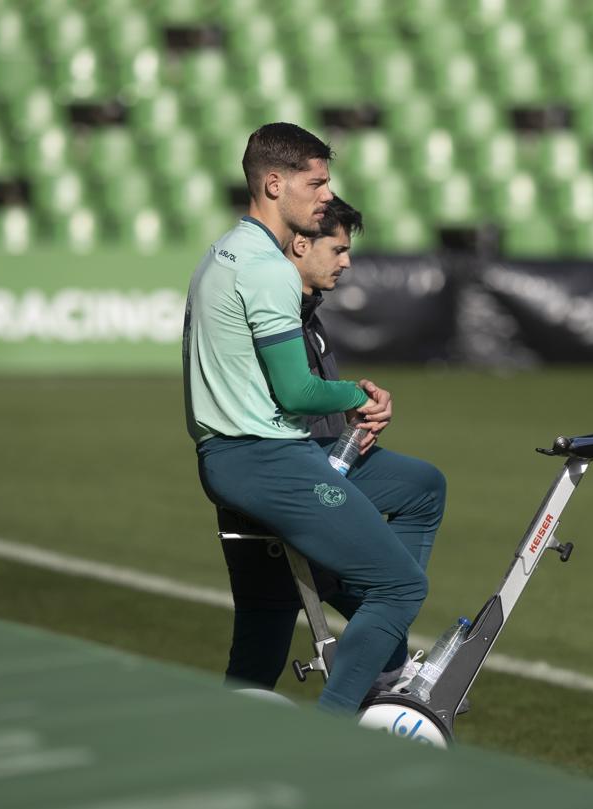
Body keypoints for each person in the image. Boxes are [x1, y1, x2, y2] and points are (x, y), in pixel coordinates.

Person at [182, 122, 433, 714]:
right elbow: (296, 392)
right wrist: (357, 395)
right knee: (400, 585)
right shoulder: (267, 268)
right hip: (265, 459)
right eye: (316, 182)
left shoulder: (222, 253)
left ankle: (233, 746)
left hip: (232, 458)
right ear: (274, 184)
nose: (326, 196)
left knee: (266, 626)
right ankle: (343, 715)